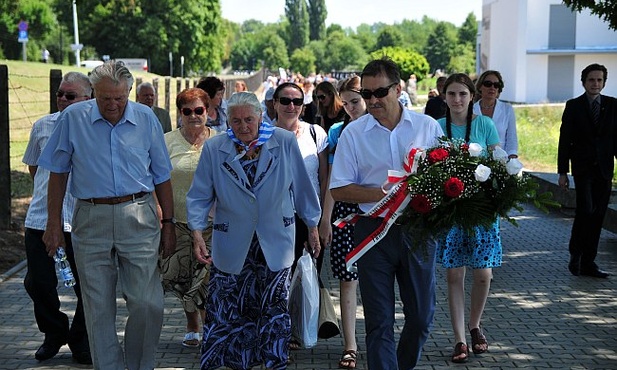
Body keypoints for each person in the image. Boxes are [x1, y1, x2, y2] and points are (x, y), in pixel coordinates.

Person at [39, 61, 176, 370]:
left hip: (139, 215)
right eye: (105, 99)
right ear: (92, 93)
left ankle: (140, 366)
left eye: (119, 98)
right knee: (98, 307)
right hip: (90, 216)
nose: (112, 105)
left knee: (147, 302)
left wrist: (169, 223)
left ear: (129, 91)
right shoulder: (74, 118)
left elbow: (162, 175)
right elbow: (58, 173)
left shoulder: (147, 119)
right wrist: (53, 225)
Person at [187, 92, 321, 369]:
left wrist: (312, 226)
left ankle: (273, 363)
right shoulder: (216, 148)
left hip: (275, 240)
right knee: (225, 311)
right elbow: (200, 194)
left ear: (261, 117)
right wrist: (197, 231)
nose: (243, 126)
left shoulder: (283, 142)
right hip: (232, 240)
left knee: (274, 310)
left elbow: (303, 188)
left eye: (249, 119)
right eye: (235, 121)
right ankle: (234, 363)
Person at [330, 57, 443, 370]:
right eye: (366, 95)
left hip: (418, 230)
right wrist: (382, 194)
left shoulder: (427, 127)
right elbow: (339, 189)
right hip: (372, 231)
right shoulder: (354, 134)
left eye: (379, 92)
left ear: (398, 88)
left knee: (421, 318)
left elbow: (445, 180)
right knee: (379, 323)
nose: (373, 100)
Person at [22, 72, 92, 365]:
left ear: (88, 99)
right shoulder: (42, 126)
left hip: (81, 223)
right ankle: (54, 332)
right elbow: (35, 168)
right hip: (40, 220)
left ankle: (81, 339)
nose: (63, 99)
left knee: (89, 289)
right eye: (60, 94)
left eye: (70, 95)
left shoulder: (94, 130)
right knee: (37, 284)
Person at [437, 73, 501, 363]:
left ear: (472, 96)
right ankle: (460, 338)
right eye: (452, 94)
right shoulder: (437, 127)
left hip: (482, 210)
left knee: (483, 274)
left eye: (463, 94)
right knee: (454, 274)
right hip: (452, 210)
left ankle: (475, 325)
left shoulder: (484, 124)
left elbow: (496, 163)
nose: (457, 99)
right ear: (444, 97)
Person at [160, 87, 214, 348]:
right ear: (180, 113)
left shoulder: (220, 141)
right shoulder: (166, 141)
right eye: (187, 111)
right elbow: (155, 181)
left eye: (199, 110)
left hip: (213, 224)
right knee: (183, 277)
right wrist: (163, 220)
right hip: (177, 221)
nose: (194, 116)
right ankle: (192, 322)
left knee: (206, 278)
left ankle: (212, 332)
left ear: (208, 111)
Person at [319, 75, 366, 369]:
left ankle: (377, 338)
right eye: (346, 103)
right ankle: (350, 343)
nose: (350, 108)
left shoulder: (383, 128)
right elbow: (333, 180)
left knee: (376, 282)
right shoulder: (337, 131)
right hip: (344, 213)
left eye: (355, 101)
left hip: (377, 212)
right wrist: (325, 218)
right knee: (347, 280)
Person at [558, 63, 616, 279]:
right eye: (591, 80)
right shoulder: (573, 106)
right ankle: (576, 253)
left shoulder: (612, 105)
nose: (596, 84)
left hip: (604, 170)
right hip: (582, 170)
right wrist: (562, 172)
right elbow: (565, 140)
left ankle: (589, 262)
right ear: (584, 82)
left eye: (599, 80)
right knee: (586, 211)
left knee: (598, 215)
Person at [273, 82, 328, 276]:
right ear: (275, 103)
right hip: (274, 220)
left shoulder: (315, 134)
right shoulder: (263, 136)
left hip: (308, 219)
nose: (291, 106)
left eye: (297, 101)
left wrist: (323, 220)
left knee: (308, 282)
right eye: (285, 101)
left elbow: (324, 179)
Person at [473, 70, 518, 158]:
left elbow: (512, 139)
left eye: (496, 85)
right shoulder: (471, 110)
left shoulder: (507, 109)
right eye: (488, 84)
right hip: (475, 162)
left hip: (501, 162)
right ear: (480, 86)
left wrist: (512, 160)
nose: (492, 87)